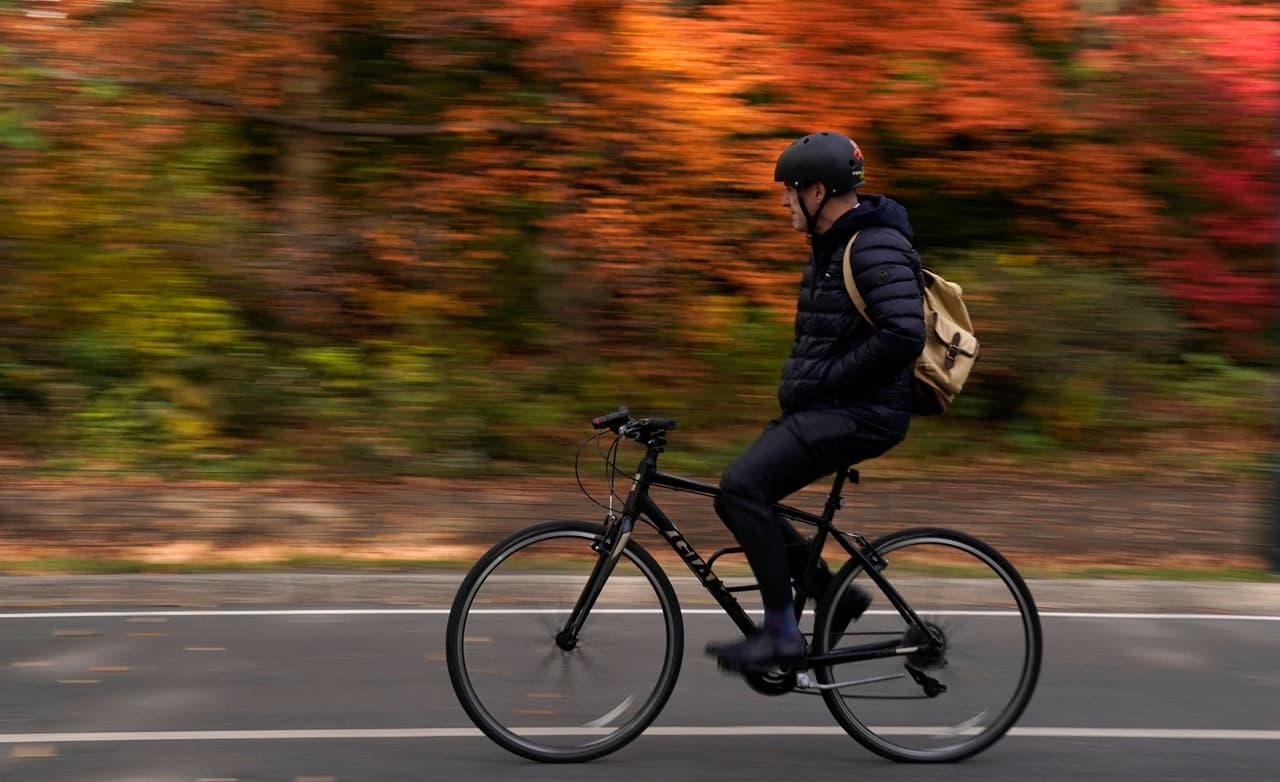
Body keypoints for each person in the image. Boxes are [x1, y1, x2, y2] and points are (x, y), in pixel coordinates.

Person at [705, 131, 927, 672]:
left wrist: (827, 379)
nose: (784, 202)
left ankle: (781, 634)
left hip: (863, 413)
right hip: (831, 408)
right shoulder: (832, 249)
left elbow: (904, 334)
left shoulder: (873, 244)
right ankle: (834, 597)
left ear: (820, 192)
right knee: (735, 495)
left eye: (790, 191)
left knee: (742, 487)